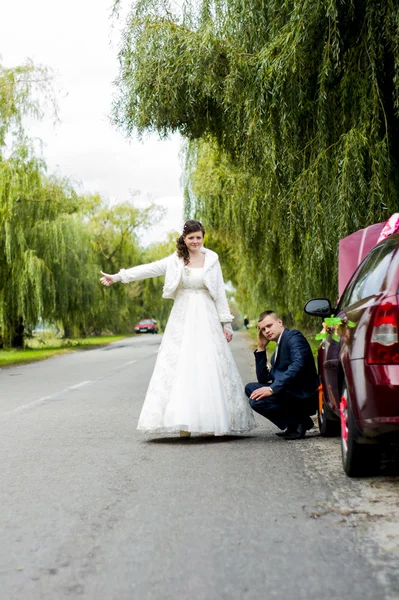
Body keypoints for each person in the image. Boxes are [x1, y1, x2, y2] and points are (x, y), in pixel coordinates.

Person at [100, 220, 256, 438]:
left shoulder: (212, 259)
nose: (195, 241)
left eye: (198, 237)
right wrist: (118, 277)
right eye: (191, 237)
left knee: (207, 364)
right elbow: (149, 269)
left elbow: (220, 292)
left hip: (207, 316)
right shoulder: (176, 260)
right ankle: (184, 422)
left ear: (203, 238)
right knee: (182, 364)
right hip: (182, 317)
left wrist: (226, 323)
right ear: (184, 238)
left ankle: (209, 422)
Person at [245, 310, 318, 440]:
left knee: (256, 402)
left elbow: (299, 364)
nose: (266, 331)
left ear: (279, 322)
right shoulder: (278, 346)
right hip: (288, 391)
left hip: (302, 393)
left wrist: (272, 389)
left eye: (269, 326)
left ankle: (299, 422)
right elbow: (263, 378)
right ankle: (296, 421)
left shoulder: (293, 336)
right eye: (262, 329)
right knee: (251, 388)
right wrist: (261, 348)